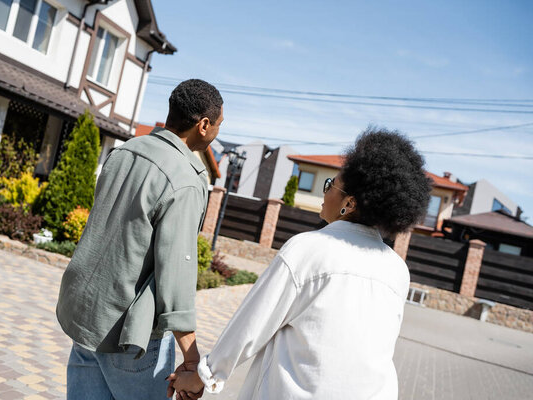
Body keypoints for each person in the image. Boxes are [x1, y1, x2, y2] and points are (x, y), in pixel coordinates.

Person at [169, 127, 431, 399]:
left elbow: (251, 326)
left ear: (348, 204)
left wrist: (203, 377)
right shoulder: (397, 269)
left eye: (330, 185)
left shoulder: (308, 249)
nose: (325, 192)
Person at [55, 79, 224, 400]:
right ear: (203, 125)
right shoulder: (185, 180)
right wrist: (191, 356)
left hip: (87, 317)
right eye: (218, 124)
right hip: (131, 336)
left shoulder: (125, 152)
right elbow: (176, 272)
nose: (217, 131)